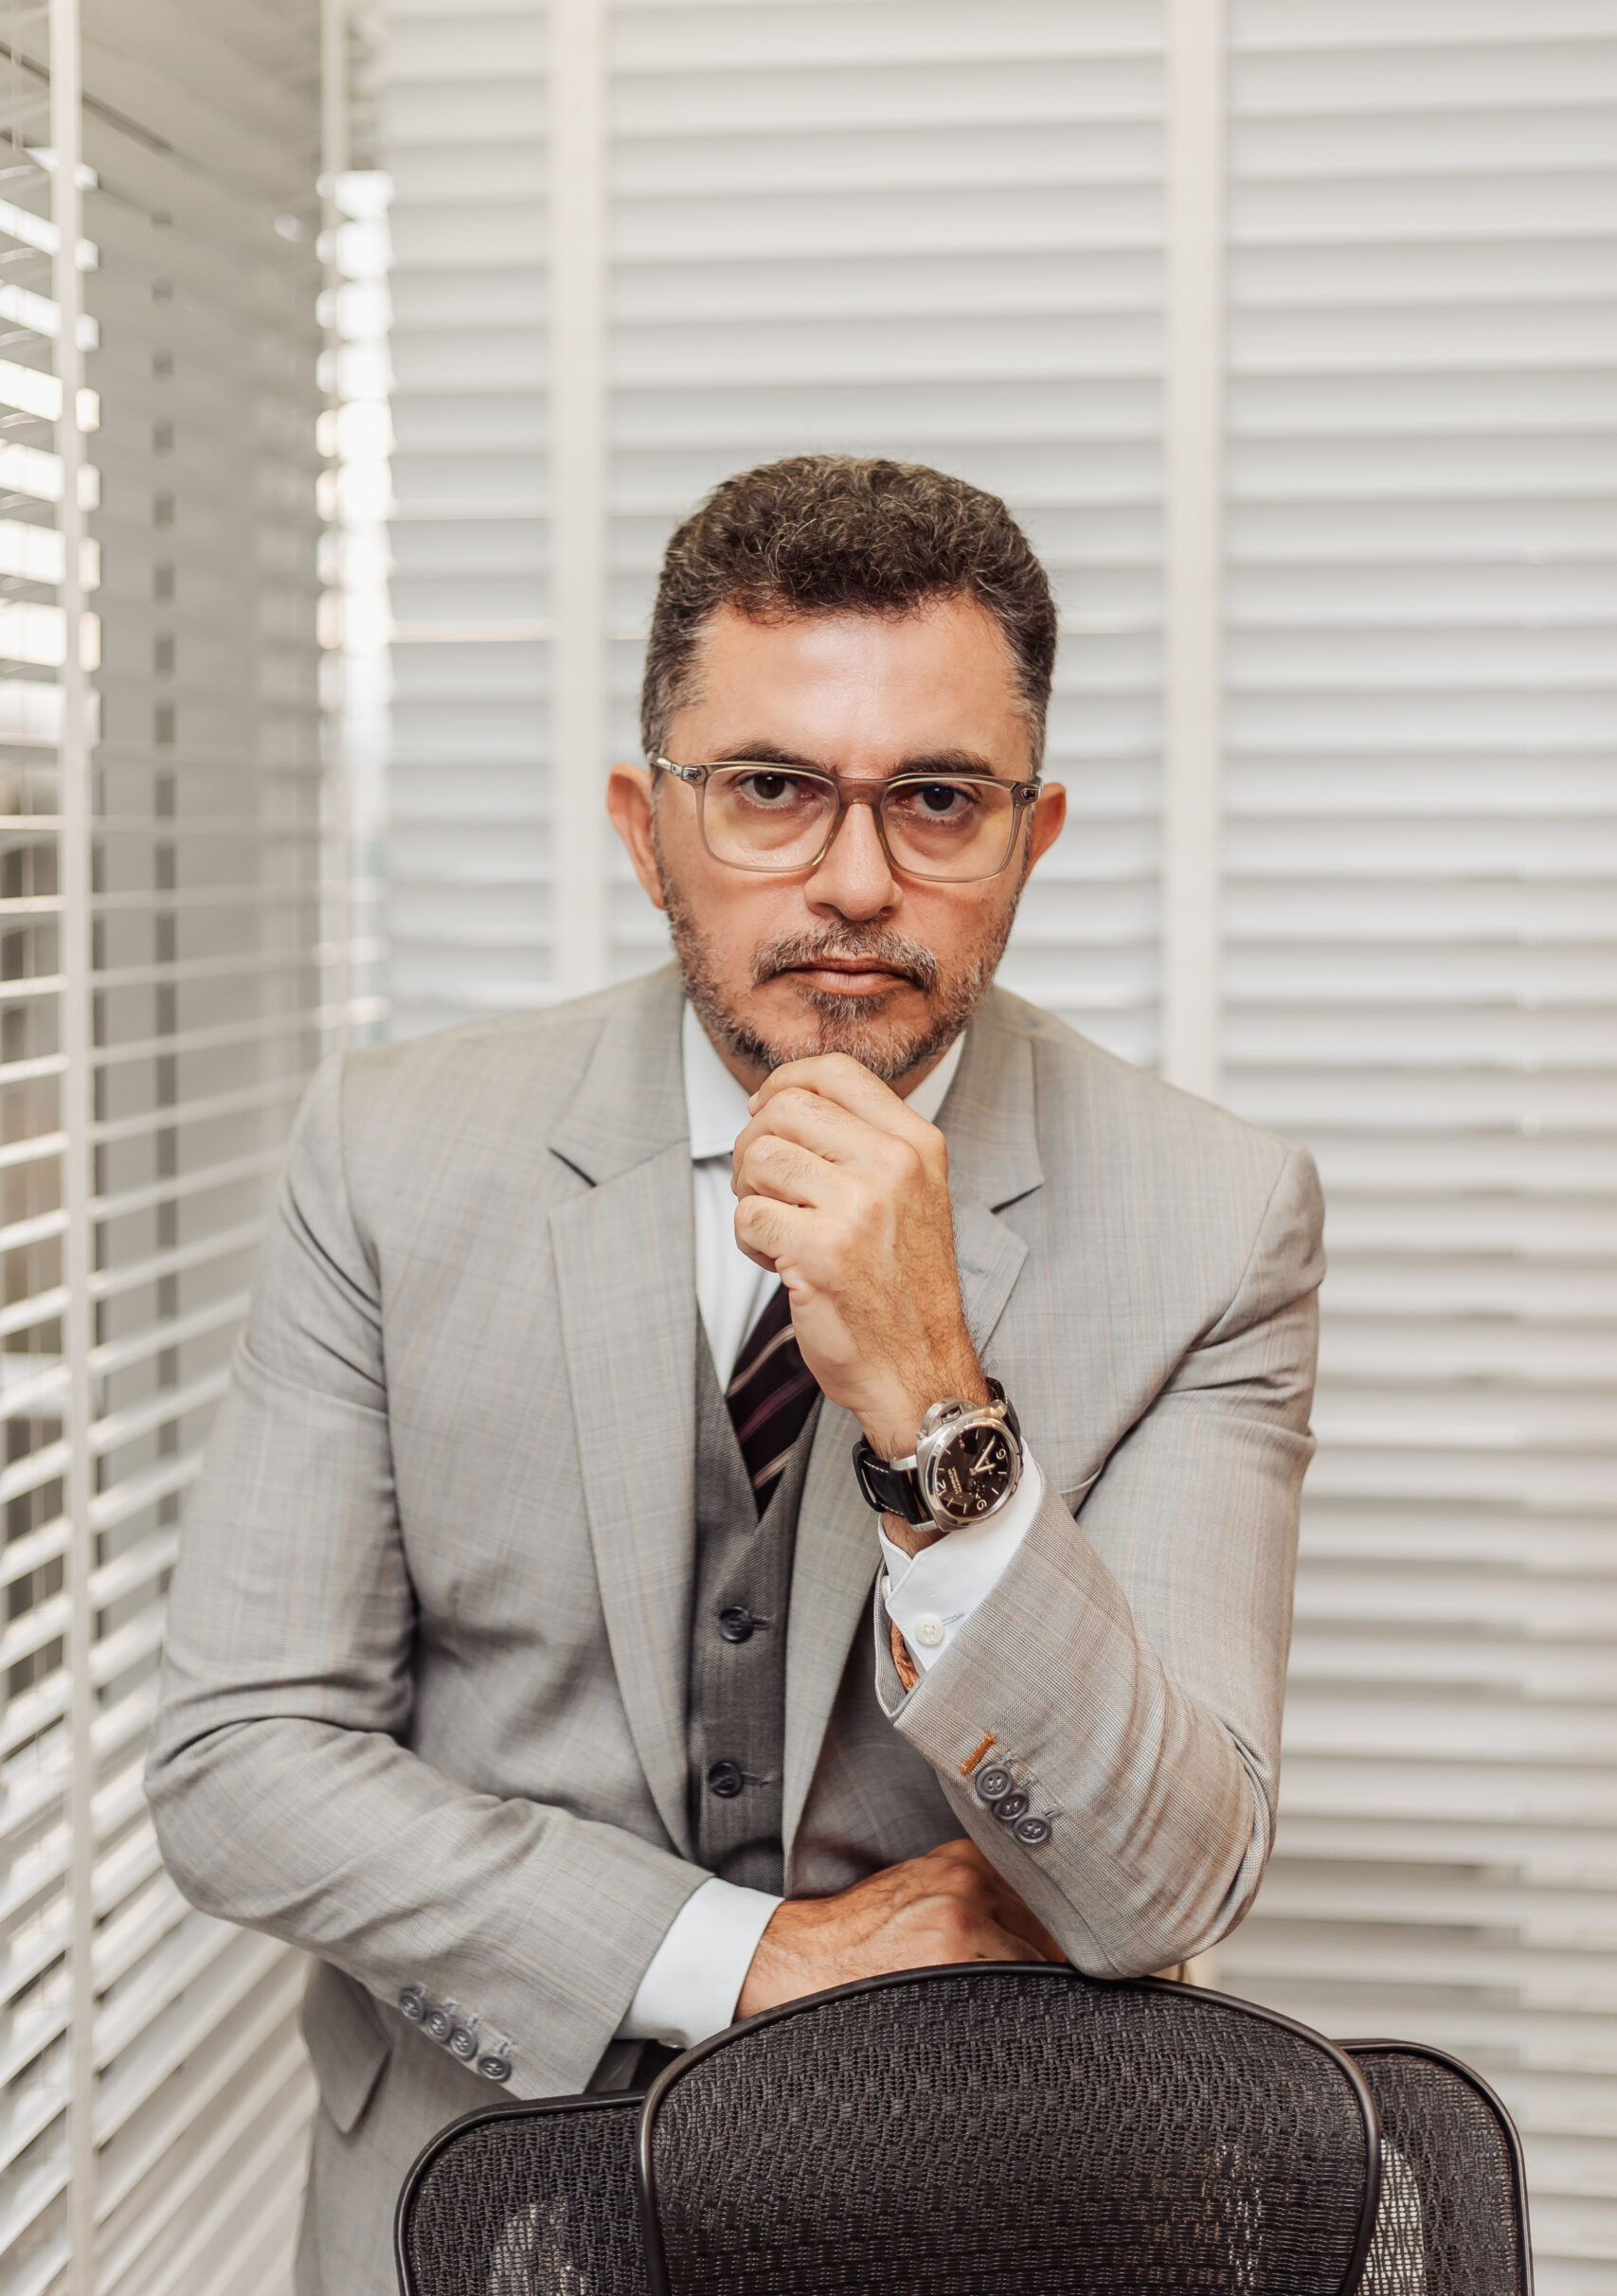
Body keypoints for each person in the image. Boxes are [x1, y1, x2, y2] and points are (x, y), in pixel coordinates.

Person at [145, 456, 1323, 2296]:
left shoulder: (1219, 1219)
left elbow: (1164, 1879)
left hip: (955, 2227)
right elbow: (238, 1761)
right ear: (647, 824)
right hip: (464, 2205)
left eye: (937, 798)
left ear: (1030, 835)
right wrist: (746, 1956)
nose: (853, 882)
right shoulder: (387, 1150)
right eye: (771, 789)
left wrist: (939, 1414)